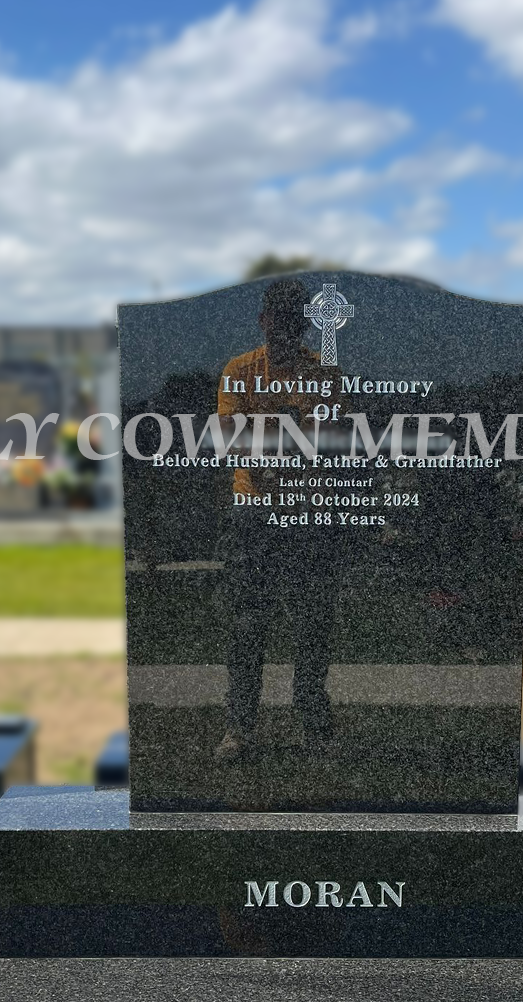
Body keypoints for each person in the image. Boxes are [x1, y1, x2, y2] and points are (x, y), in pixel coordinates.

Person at [214, 278, 345, 762]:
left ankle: (314, 723)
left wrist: (279, 439)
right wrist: (281, 445)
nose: (285, 329)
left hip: (308, 508)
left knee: (312, 621)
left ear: (304, 323)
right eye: (278, 319)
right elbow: (229, 435)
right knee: (248, 622)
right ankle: (240, 726)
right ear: (264, 320)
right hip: (254, 508)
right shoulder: (240, 370)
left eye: (294, 319)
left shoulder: (324, 374)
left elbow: (331, 436)